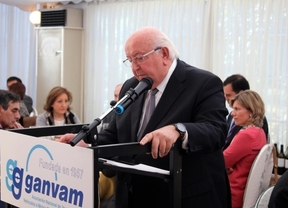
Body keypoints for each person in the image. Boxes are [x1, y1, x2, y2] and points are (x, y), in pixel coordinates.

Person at [60, 27, 231, 208]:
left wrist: (179, 130)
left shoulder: (203, 82)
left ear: (164, 54)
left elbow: (216, 130)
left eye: (140, 58)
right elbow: (115, 134)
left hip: (181, 196)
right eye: (130, 60)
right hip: (132, 196)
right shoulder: (131, 86)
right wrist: (88, 144)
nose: (134, 67)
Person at [223, 90, 267, 208]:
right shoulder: (259, 132)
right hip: (245, 192)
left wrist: (225, 166)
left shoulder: (246, 135)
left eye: (237, 109)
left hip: (232, 193)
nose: (232, 113)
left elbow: (221, 162)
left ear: (251, 111)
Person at [223, 74, 269, 150]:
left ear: (241, 93)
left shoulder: (259, 120)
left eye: (228, 95)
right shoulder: (232, 115)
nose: (225, 98)